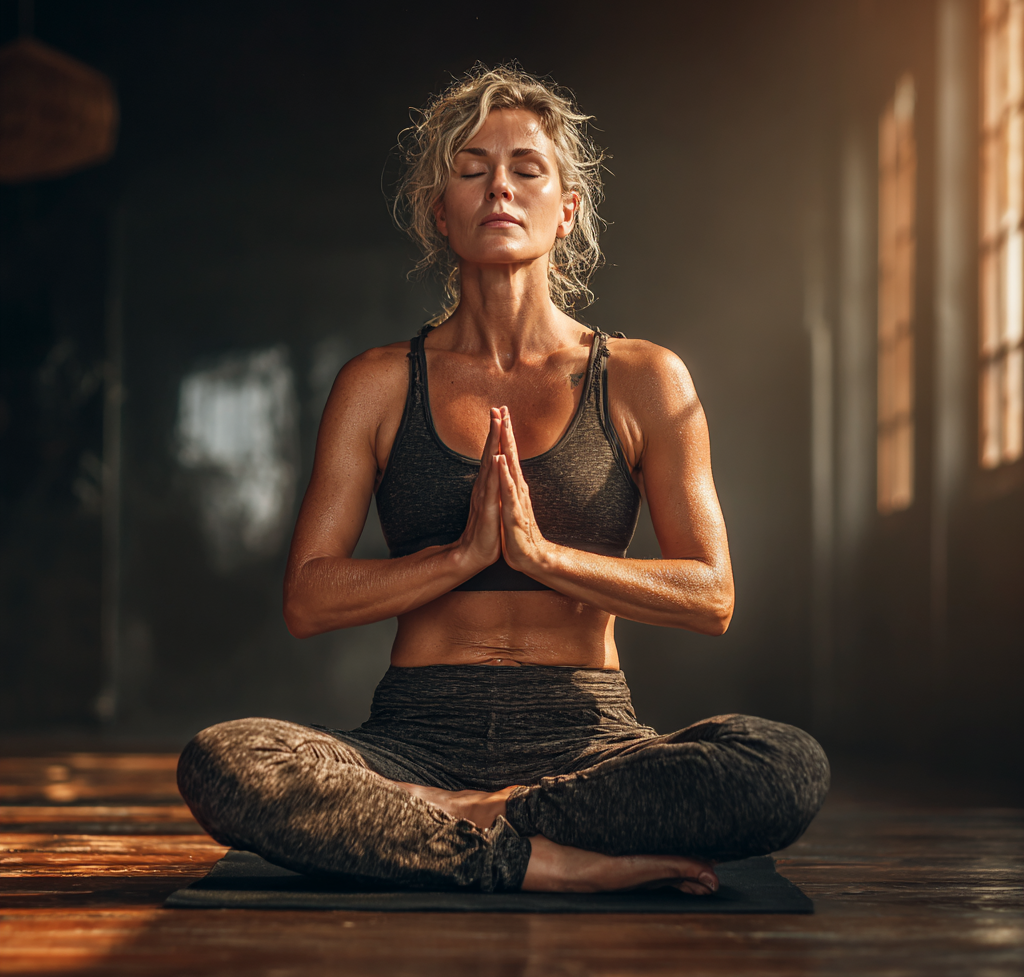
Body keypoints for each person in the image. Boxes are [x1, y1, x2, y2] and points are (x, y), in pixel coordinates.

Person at [177, 65, 829, 896]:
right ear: (439, 213)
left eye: (527, 169)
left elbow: (711, 595)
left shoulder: (641, 378)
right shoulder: (377, 384)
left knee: (782, 765)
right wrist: (460, 557)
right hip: (413, 736)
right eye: (472, 168)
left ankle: (461, 818)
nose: (500, 189)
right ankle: (528, 855)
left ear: (567, 212)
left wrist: (539, 556)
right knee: (227, 761)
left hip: (589, 746)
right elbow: (308, 598)